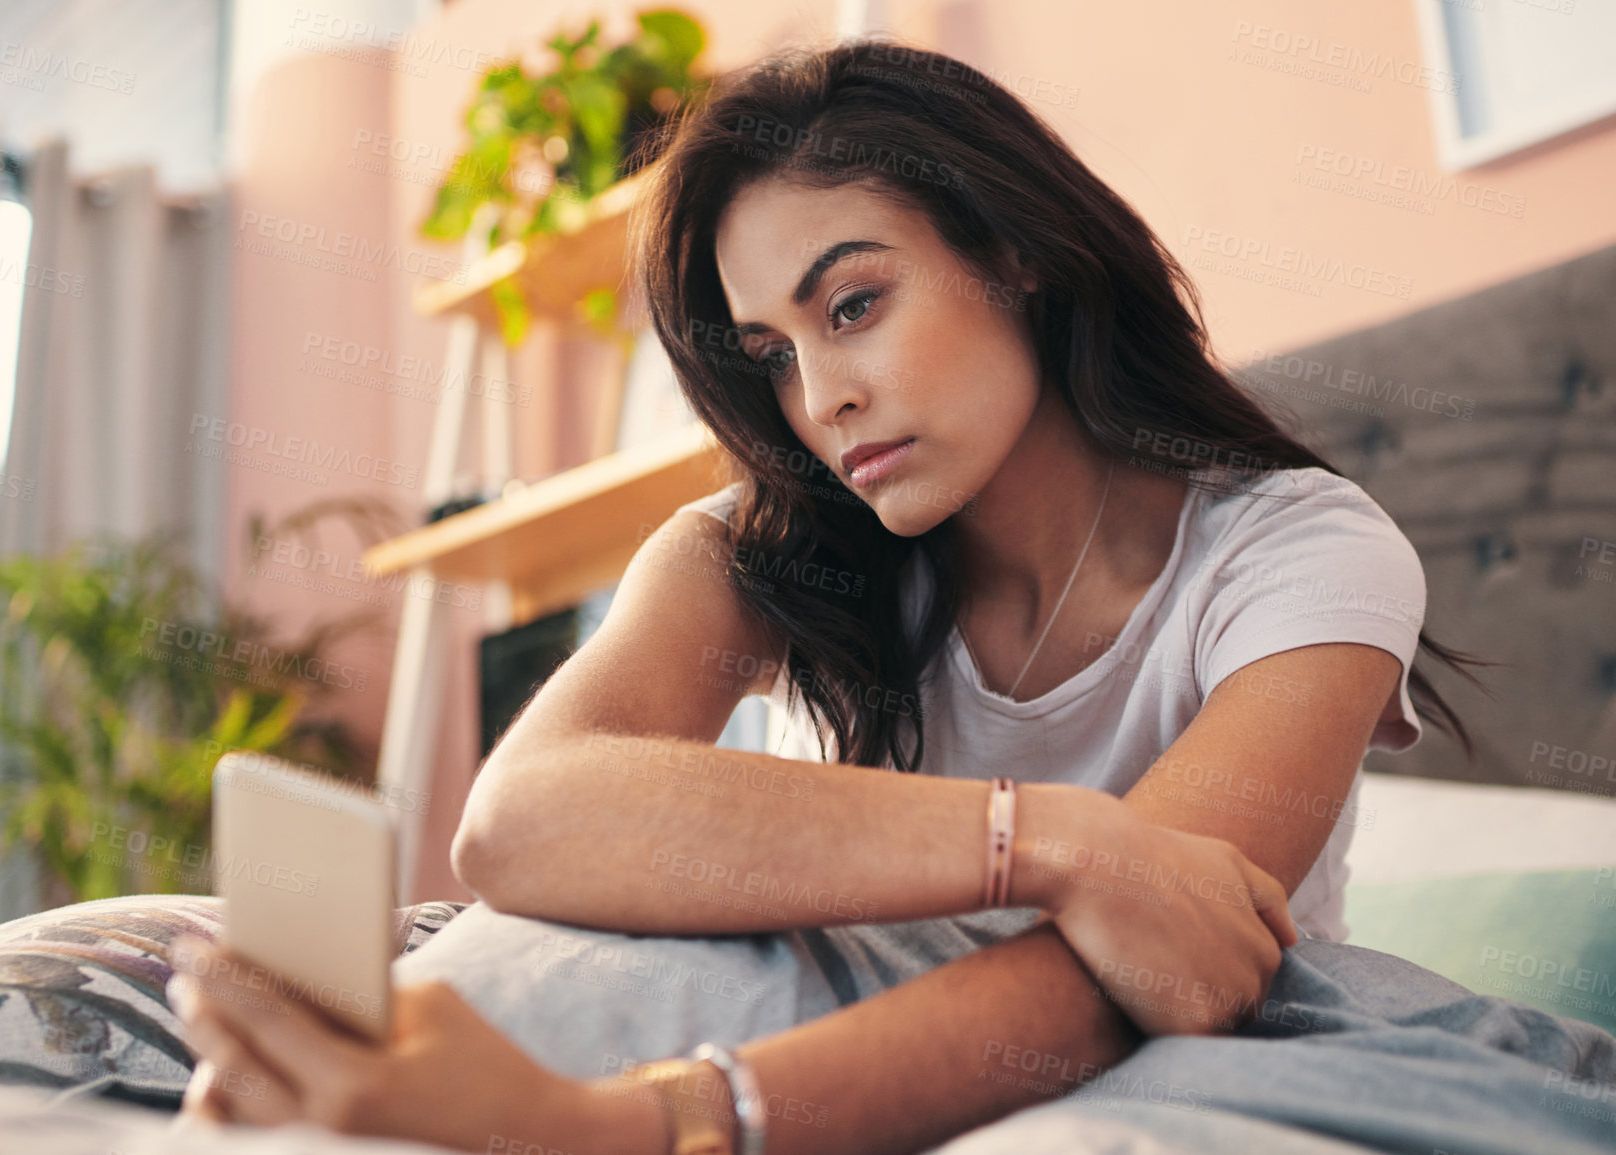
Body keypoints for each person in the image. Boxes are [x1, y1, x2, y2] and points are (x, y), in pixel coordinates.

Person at [168, 37, 1489, 1155]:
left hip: (1171, 1055)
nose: (817, 400)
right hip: (837, 1002)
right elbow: (523, 820)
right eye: (772, 356)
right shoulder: (772, 544)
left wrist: (633, 1125)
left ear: (1017, 254)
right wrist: (1057, 842)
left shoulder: (1302, 555)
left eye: (853, 303)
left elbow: (1135, 970)